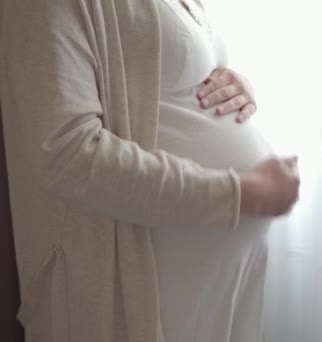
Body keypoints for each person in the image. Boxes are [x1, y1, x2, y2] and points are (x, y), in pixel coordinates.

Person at [0, 0, 299, 341]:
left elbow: (165, 82)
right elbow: (69, 156)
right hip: (136, 285)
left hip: (204, 281)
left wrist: (235, 85)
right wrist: (241, 194)